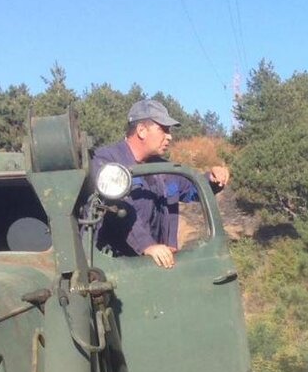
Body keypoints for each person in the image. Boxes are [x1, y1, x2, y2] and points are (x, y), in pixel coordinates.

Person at [92, 99, 229, 269]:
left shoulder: (164, 169)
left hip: (158, 266)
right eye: (163, 129)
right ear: (142, 130)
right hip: (117, 268)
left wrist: (212, 179)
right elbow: (116, 210)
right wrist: (147, 245)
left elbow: (192, 189)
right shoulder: (107, 163)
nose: (169, 136)